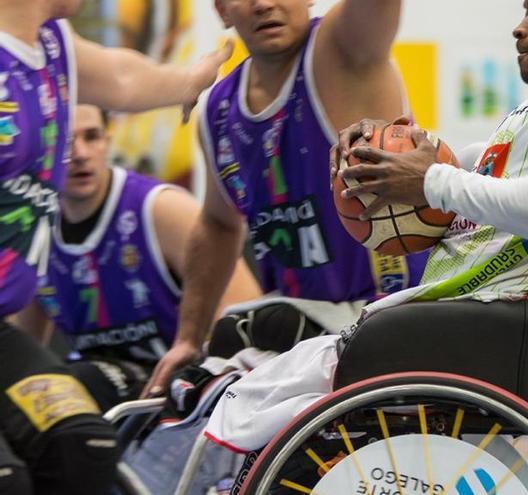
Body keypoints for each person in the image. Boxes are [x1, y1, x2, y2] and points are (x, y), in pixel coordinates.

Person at [204, 0, 528, 459]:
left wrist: (432, 181)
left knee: (250, 380)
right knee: (258, 362)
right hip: (462, 317)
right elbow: (468, 171)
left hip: (479, 323)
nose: (519, 28)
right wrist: (395, 151)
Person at [0, 0, 232, 492]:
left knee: (81, 443)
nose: (80, 154)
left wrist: (195, 76)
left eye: (92, 138)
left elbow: (124, 78)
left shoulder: (51, 45)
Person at [146, 0, 430, 396]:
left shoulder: (341, 48)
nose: (264, 4)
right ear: (222, 11)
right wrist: (187, 339)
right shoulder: (218, 110)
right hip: (302, 333)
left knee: (240, 329)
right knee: (193, 387)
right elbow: (218, 224)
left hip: (391, 313)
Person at [14, 104, 261, 412]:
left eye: (92, 137)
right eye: (64, 142)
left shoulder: (162, 209)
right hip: (100, 394)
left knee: (75, 386)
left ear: (107, 138)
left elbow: (245, 322)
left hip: (183, 393)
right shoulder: (32, 228)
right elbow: (20, 351)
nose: (80, 154)